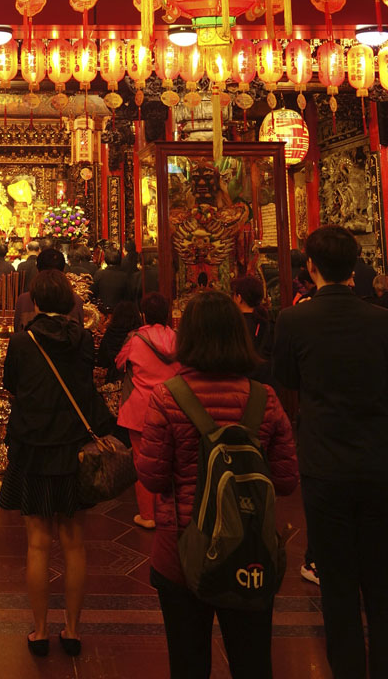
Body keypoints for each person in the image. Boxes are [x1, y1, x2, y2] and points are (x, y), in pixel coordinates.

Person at [137, 291, 298, 679]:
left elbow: (155, 477)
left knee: (188, 661)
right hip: (249, 547)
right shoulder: (265, 398)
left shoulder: (167, 398)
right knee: (252, 660)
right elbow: (288, 479)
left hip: (183, 548)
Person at [273, 224, 388, 679]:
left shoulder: (293, 319)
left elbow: (288, 380)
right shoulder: (382, 320)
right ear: (354, 268)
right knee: (380, 577)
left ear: (311, 268)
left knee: (336, 579)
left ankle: (347, 669)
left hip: (324, 461)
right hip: (379, 458)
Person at [0, 268, 111, 657]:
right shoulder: (84, 339)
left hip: (33, 443)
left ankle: (41, 630)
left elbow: (11, 384)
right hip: (73, 445)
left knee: (37, 542)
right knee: (75, 542)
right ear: (68, 301)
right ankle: (74, 629)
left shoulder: (21, 340)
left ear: (36, 301)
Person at [116, 292, 179, 529]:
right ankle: (169, 511)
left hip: (140, 407)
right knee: (171, 458)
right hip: (171, 405)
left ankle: (148, 515)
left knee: (142, 460)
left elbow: (119, 363)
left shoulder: (135, 339)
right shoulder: (178, 339)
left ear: (143, 314)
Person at [14, 248, 84, 332]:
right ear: (63, 270)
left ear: (37, 270)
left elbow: (17, 331)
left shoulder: (24, 300)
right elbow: (79, 333)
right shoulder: (76, 300)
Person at [230, 274, 274, 382]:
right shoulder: (268, 322)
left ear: (239, 298)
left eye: (234, 295)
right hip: (266, 384)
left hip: (240, 383)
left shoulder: (234, 325)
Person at [96, 299, 141, 383]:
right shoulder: (139, 335)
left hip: (114, 380)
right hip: (136, 378)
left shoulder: (110, 333)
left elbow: (102, 360)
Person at [93, 246, 141, 312]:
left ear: (106, 260)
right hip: (121, 313)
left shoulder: (99, 274)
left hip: (102, 312)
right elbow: (130, 297)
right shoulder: (125, 276)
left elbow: (93, 293)